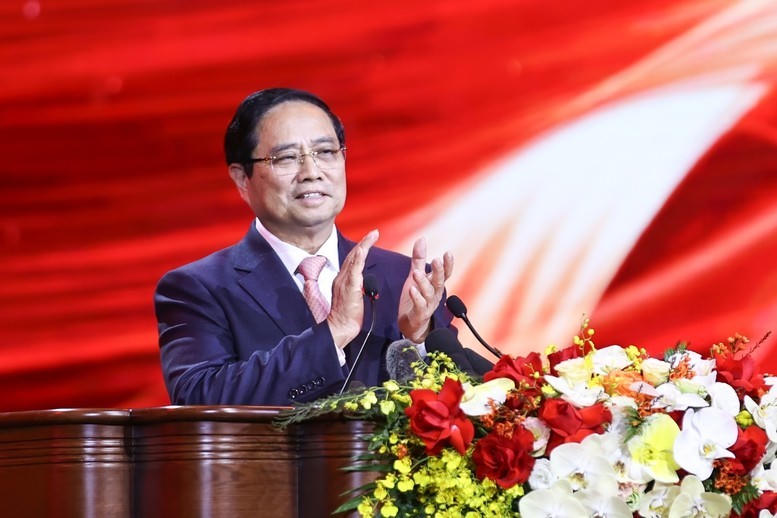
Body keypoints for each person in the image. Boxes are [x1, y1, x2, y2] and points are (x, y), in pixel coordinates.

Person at [154, 88, 454, 406]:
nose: (311, 173)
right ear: (242, 178)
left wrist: (419, 339)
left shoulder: (404, 279)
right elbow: (199, 398)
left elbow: (456, 403)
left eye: (325, 152)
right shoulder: (198, 288)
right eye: (286, 158)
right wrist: (333, 331)